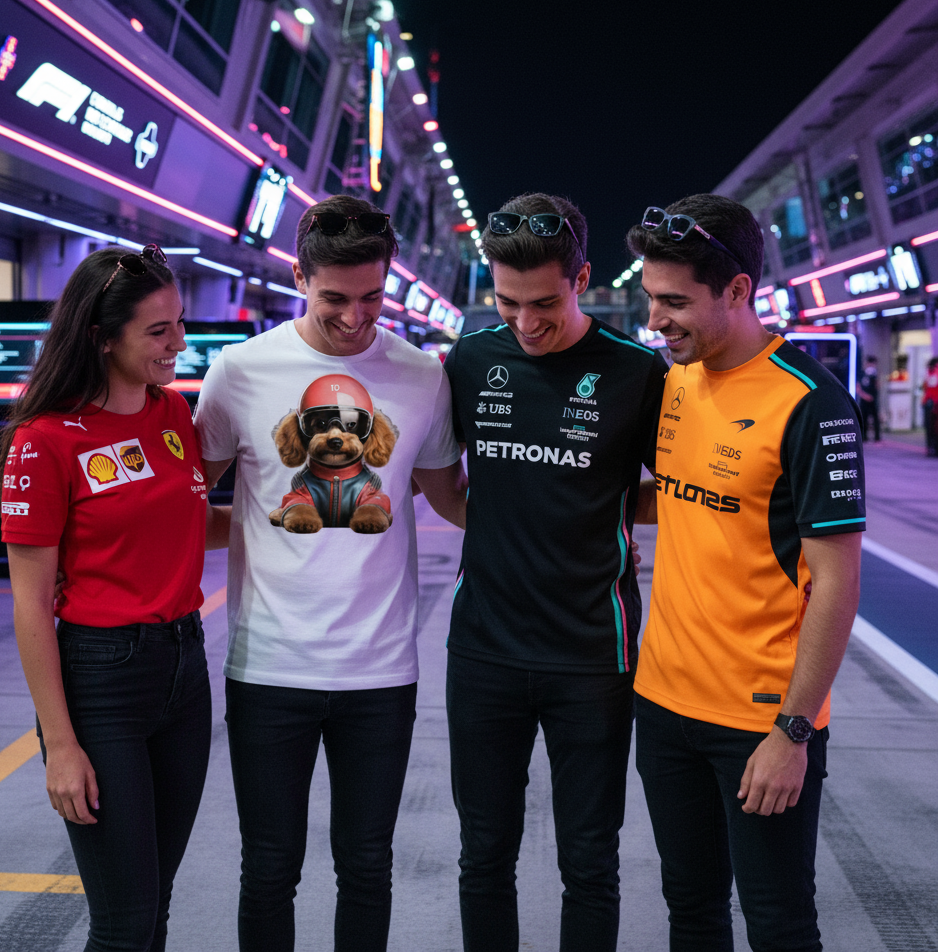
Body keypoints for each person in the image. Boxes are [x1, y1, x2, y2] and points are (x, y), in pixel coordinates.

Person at [194, 193, 466, 952]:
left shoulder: (422, 377)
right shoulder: (240, 373)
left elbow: (455, 503)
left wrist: (587, 528)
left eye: (373, 297)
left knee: (366, 866)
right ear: (298, 277)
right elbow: (184, 502)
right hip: (269, 666)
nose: (356, 317)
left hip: (380, 672)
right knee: (270, 866)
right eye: (334, 299)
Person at [627, 195, 865, 952]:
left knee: (779, 923)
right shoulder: (673, 381)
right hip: (662, 705)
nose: (657, 321)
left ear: (736, 291)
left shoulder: (811, 403)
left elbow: (835, 581)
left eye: (674, 302)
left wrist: (793, 730)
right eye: (650, 300)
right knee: (690, 910)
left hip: (760, 720)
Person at [441, 193, 668, 952]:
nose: (526, 322)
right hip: (483, 652)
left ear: (583, 279)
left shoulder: (637, 372)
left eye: (543, 303)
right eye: (507, 303)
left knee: (590, 861)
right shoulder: (471, 361)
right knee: (483, 856)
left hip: (591, 658)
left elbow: (675, 488)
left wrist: (598, 509)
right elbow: (448, 483)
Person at [0, 244, 227, 952]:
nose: (179, 343)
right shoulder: (45, 442)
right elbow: (30, 605)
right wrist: (60, 745)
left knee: (153, 906)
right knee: (123, 925)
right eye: (159, 332)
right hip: (102, 680)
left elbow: (191, 523)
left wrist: (292, 515)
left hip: (184, 671)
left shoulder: (171, 416)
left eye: (178, 323)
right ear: (103, 336)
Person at [857, 354, 881, 441]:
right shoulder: (862, 373)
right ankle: (864, 437)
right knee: (864, 418)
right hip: (864, 399)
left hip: (873, 399)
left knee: (875, 418)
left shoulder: (875, 374)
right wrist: (864, 395)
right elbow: (858, 387)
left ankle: (877, 437)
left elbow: (878, 386)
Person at [922, 356, 938, 456]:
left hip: (929, 402)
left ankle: (930, 448)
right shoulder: (933, 373)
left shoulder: (927, 373)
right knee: (933, 427)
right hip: (933, 403)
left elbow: (924, 387)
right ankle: (933, 448)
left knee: (929, 427)